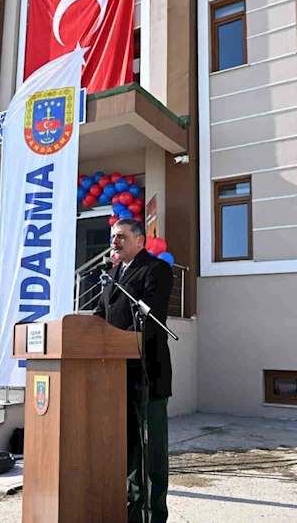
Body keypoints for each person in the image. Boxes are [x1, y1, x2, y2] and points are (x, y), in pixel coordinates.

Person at [93, 218, 174, 523]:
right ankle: (132, 514)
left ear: (140, 241)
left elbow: (151, 319)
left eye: (121, 236)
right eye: (113, 236)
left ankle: (155, 516)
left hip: (148, 372)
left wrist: (119, 342)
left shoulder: (156, 269)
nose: (114, 241)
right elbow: (100, 316)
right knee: (128, 451)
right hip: (117, 376)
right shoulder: (112, 275)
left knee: (152, 452)